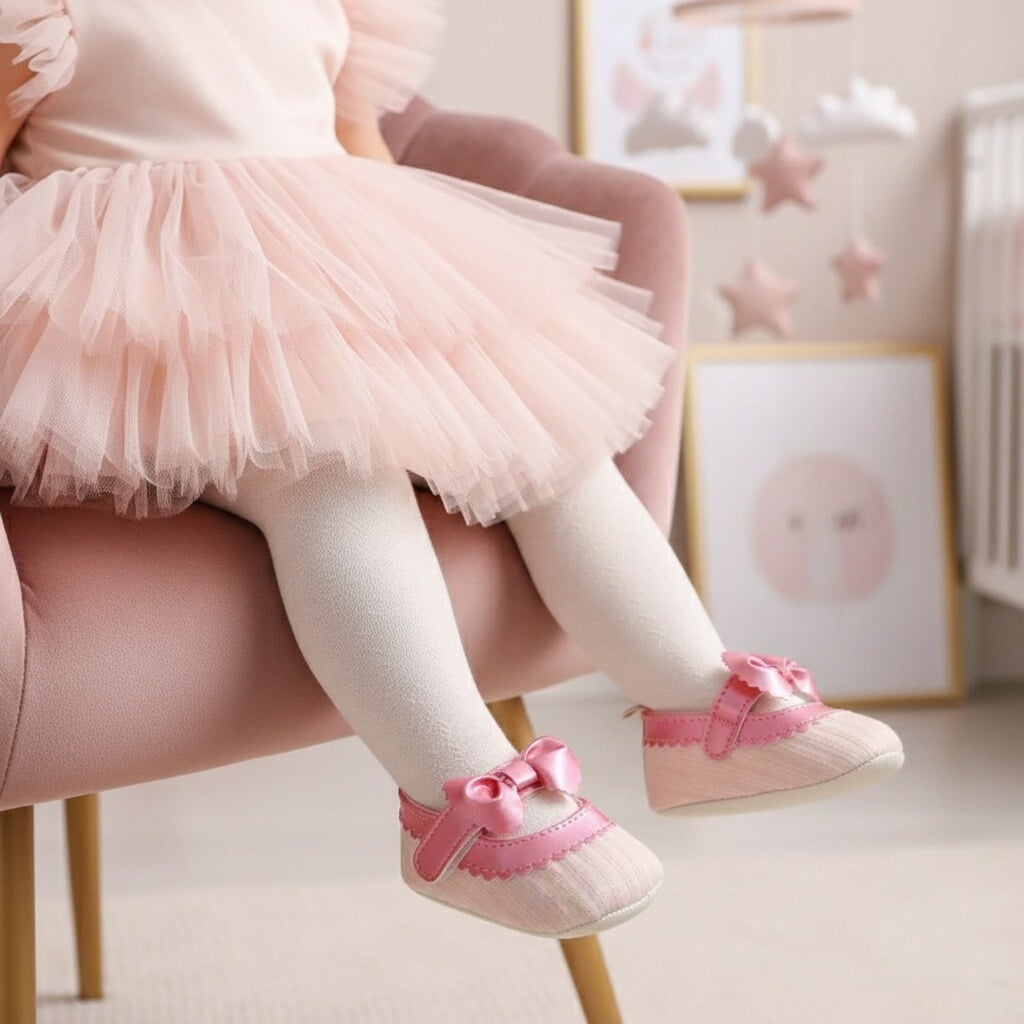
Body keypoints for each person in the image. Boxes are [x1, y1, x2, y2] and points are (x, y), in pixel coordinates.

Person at [0, 0, 903, 939]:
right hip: (145, 320)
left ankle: (698, 704)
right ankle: (463, 799)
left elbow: (359, 152)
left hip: (322, 271)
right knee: (332, 467)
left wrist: (420, 311)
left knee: (533, 429)